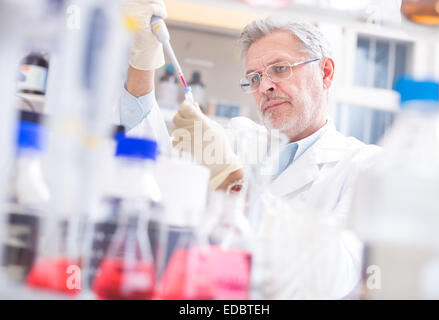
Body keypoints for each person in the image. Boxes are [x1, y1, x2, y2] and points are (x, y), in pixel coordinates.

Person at [117, 0, 382, 298]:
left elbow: (331, 276)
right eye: (254, 78)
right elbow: (154, 173)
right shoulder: (237, 137)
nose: (264, 86)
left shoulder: (365, 166)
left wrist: (233, 179)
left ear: (326, 73)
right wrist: (143, 56)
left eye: (279, 69)